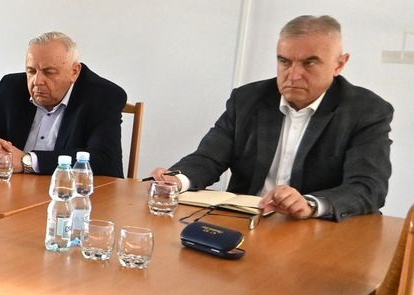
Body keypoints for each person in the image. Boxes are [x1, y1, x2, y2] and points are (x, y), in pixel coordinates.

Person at [152, 15, 392, 220]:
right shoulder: (248, 99)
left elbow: (368, 187)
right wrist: (177, 180)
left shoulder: (366, 110)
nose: (293, 75)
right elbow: (209, 158)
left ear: (339, 64)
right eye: (284, 61)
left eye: (309, 63)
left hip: (319, 228)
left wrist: (310, 204)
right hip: (247, 220)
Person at [0, 31, 128, 177]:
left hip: (71, 193)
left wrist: (27, 161)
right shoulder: (12, 87)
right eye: (31, 71)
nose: (37, 81)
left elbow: (102, 159)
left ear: (74, 72)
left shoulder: (104, 96)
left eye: (49, 72)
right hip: (13, 189)